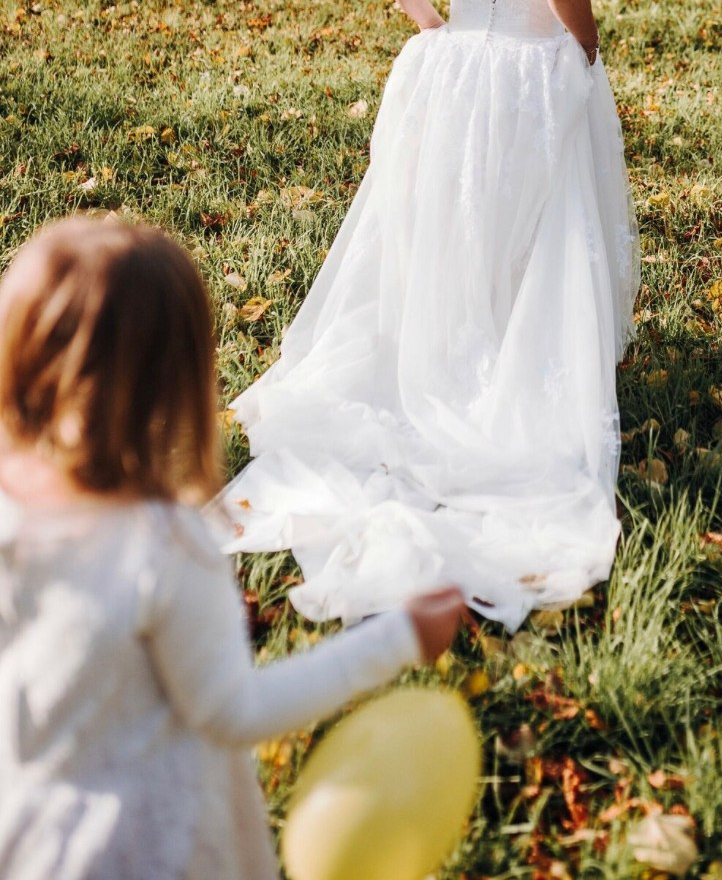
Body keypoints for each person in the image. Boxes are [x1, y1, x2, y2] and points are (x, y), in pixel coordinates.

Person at [219, 0, 639, 630]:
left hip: (450, 77)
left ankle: (445, 341)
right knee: (532, 224)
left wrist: (433, 29)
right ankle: (504, 346)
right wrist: (587, 48)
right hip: (527, 78)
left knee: (441, 217)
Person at [0, 216, 464, 880]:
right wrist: (400, 637)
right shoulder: (161, 549)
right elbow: (234, 709)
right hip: (146, 847)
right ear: (177, 378)